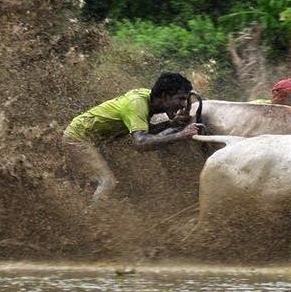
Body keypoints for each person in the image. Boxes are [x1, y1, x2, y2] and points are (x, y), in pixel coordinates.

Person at [62, 72, 201, 201]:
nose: (183, 104)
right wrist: (181, 135)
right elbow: (140, 143)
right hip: (78, 138)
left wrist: (171, 124)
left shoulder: (149, 99)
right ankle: (93, 217)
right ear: (164, 96)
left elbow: (145, 130)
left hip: (91, 139)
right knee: (107, 182)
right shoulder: (137, 104)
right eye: (181, 99)